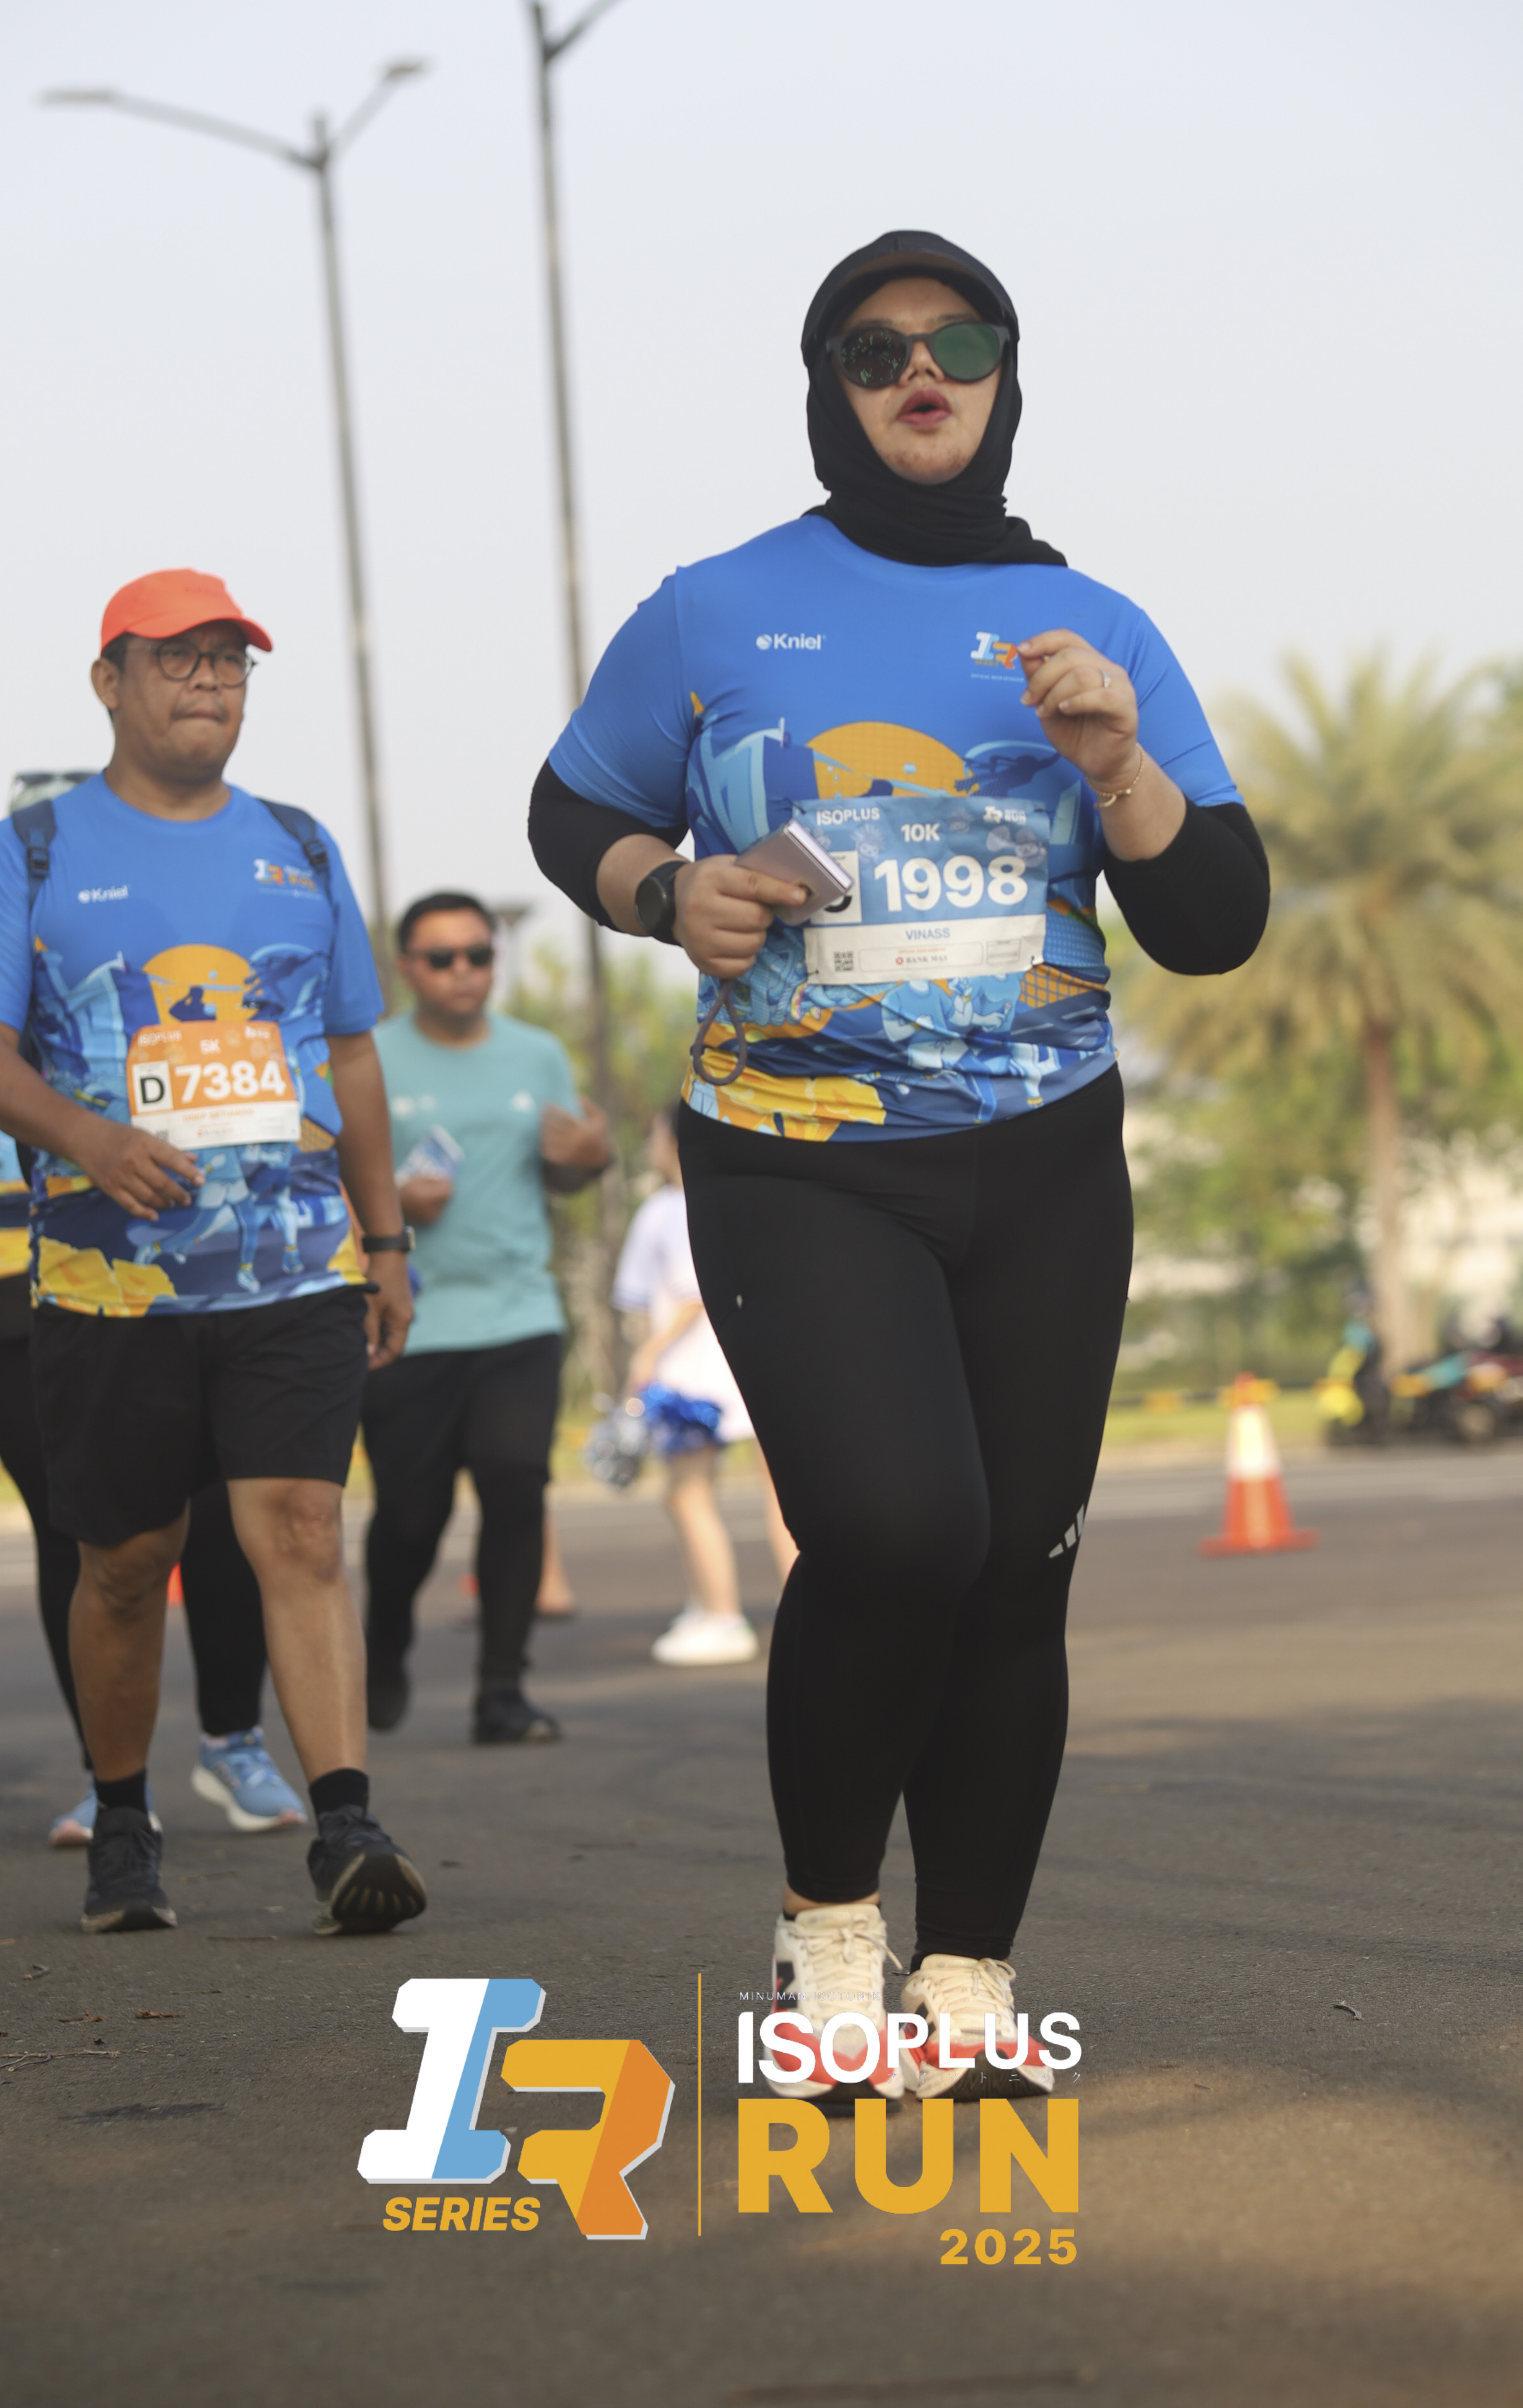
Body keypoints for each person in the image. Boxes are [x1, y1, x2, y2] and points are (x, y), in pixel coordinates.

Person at [530, 230, 1269, 2098]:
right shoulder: (716, 610)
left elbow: (1214, 920)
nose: (922, 372)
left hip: (1043, 1162)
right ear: (828, 387)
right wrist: (661, 890)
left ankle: (967, 1984)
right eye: (876, 351)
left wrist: (1117, 765)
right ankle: (829, 1930)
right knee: (899, 1528)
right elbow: (571, 803)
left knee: (1016, 1565)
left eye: (961, 342)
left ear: (1007, 376)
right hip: (799, 1160)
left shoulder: (1093, 625)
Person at [0, 567, 424, 1936]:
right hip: (109, 1282)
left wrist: (383, 1238)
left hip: (294, 1265)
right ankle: (123, 1817)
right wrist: (86, 1139)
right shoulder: (29, 852)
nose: (210, 681)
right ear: (110, 682)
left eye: (230, 661)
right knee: (128, 1561)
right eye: (179, 658)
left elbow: (351, 1056)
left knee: (301, 1528)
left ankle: (344, 1826)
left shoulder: (300, 845)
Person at [0, 983, 306, 1840]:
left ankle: (234, 1742)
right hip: (10, 1282)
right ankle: (110, 1779)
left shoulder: (148, 983)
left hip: (175, 1268)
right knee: (71, 1527)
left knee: (219, 1513)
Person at [364, 892, 610, 1743]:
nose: (463, 971)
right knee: (410, 1516)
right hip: (407, 1320)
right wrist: (390, 1202)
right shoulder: (368, 1057)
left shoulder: (537, 1054)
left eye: (478, 954)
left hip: (517, 1313)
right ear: (407, 968)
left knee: (515, 1488)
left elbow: (567, 1170)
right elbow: (323, 1178)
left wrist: (592, 1160)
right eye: (442, 958)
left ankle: (502, 1690)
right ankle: (384, 1642)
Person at [613, 1106, 798, 1666]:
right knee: (785, 1495)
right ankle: (803, 1609)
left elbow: (688, 1294)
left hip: (694, 1379)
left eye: (654, 1133)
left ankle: (720, 1614)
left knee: (687, 1494)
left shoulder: (668, 1208)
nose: (650, 1143)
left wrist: (647, 1355)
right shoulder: (744, 1195)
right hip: (764, 1362)